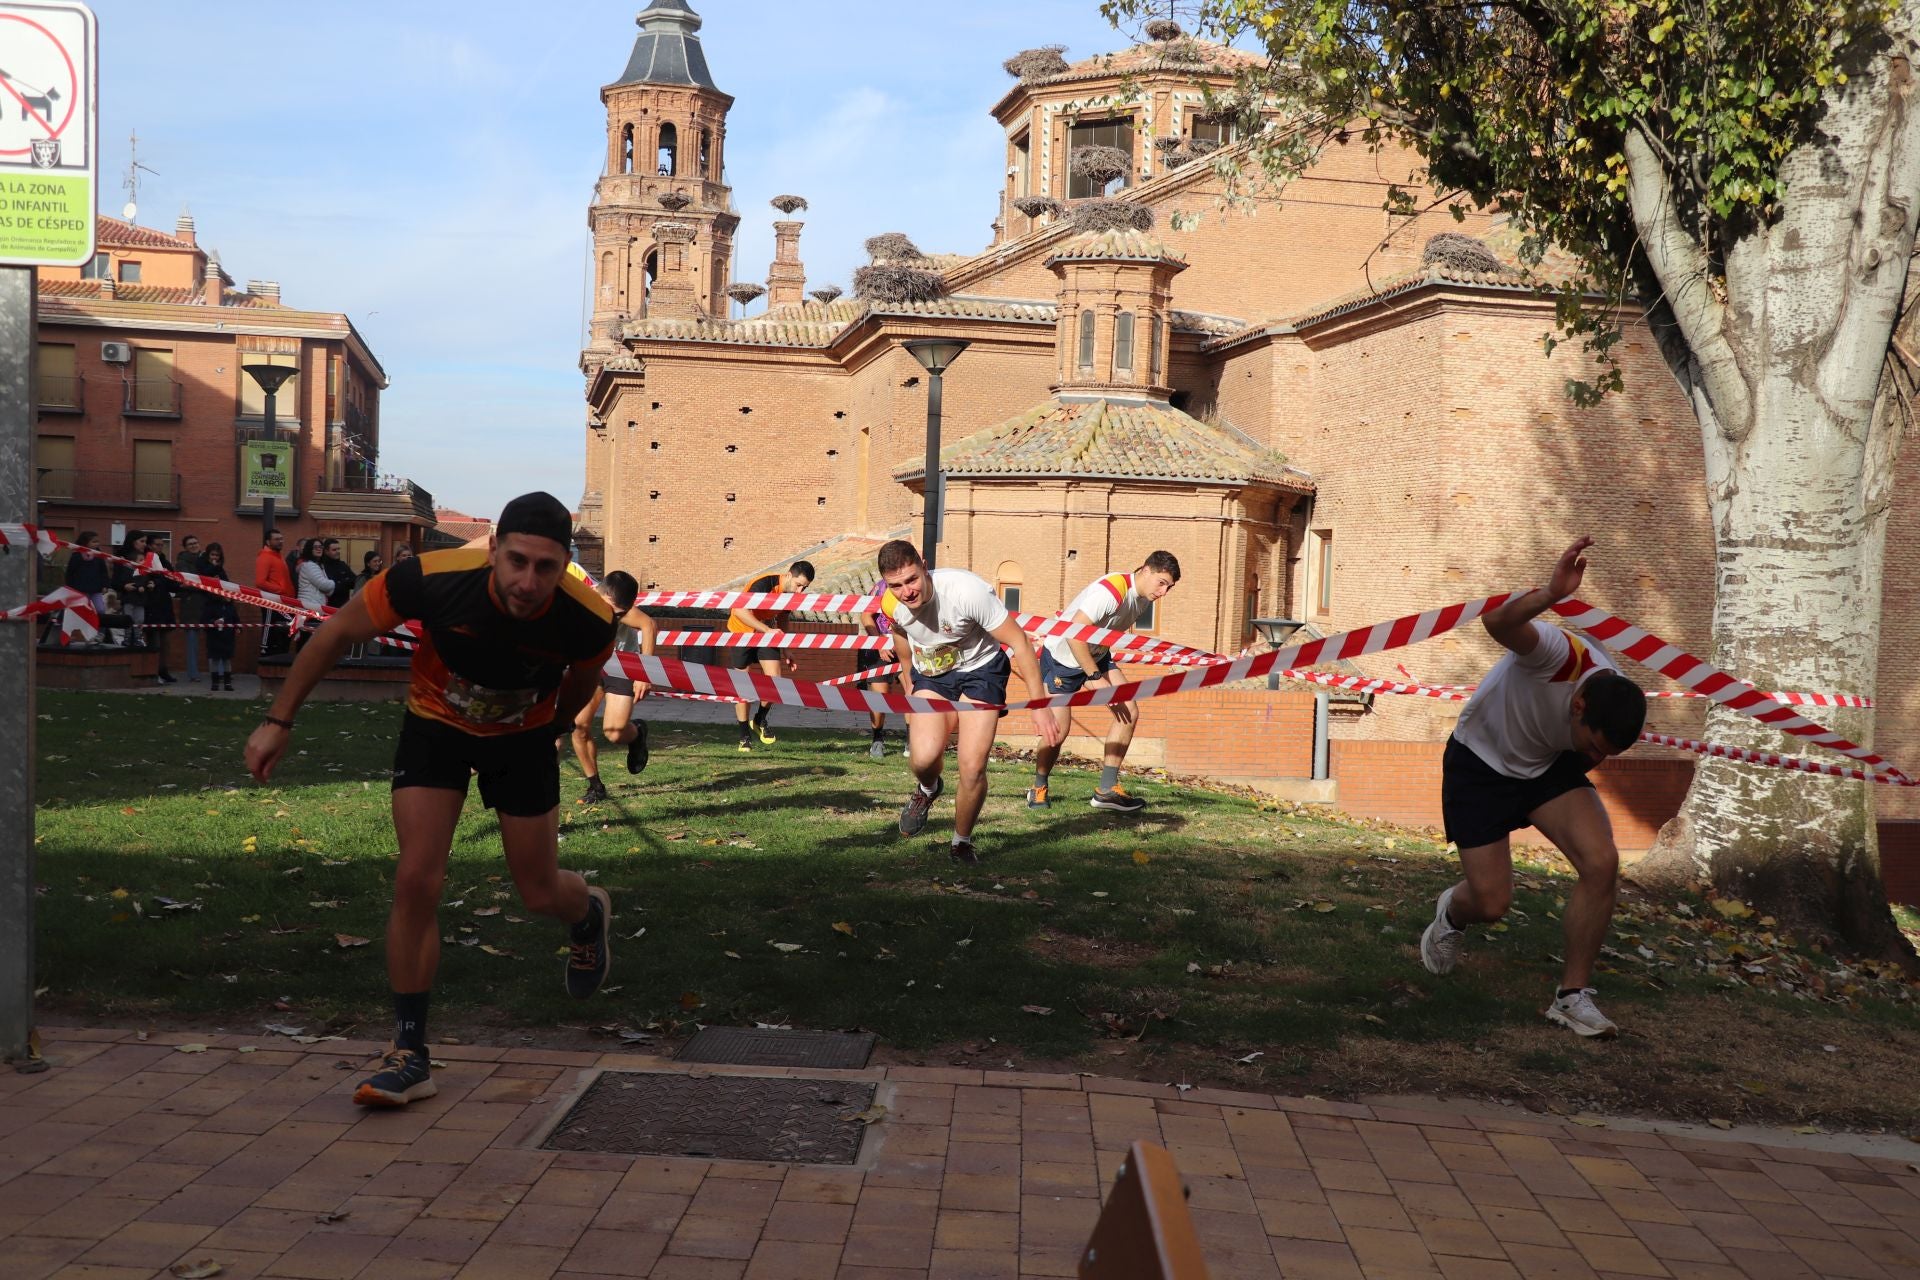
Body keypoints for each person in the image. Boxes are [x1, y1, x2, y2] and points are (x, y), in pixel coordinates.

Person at [244, 491, 619, 1108]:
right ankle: (409, 1051)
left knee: (538, 891)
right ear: (493, 550)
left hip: (522, 739)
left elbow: (581, 683)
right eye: (517, 561)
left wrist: (550, 732)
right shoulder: (430, 577)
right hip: (436, 726)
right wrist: (279, 721)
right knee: (416, 878)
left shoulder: (586, 618)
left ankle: (588, 915)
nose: (528, 581)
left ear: (565, 565)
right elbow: (337, 631)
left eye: (545, 567)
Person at [1419, 536, 1648, 1039]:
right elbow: (1497, 622)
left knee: (1602, 861)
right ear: (1579, 706)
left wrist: (1578, 754)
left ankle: (1572, 997)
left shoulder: (1607, 690)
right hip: (1480, 762)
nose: (1597, 761)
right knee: (1491, 903)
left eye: (1606, 756)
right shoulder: (1557, 654)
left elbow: (1586, 748)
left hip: (1546, 766)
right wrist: (1550, 593)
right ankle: (1453, 914)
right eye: (1594, 748)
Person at [877, 540, 1062, 864]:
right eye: (896, 585)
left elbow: (1019, 641)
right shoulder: (892, 605)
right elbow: (901, 638)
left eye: (912, 579)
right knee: (922, 758)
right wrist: (908, 684)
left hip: (982, 671)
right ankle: (928, 789)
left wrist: (1039, 705)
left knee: (972, 765)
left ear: (923, 564)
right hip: (933, 675)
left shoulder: (966, 591)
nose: (907, 591)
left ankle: (961, 842)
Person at [1027, 553, 1181, 814]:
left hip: (1096, 655)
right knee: (1057, 733)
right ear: (1145, 570)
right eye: (1161, 583)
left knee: (1128, 710)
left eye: (1169, 587)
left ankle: (1106, 790)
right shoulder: (1111, 591)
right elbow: (1075, 634)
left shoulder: (1143, 599)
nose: (1163, 592)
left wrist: (1098, 671)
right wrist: (1095, 678)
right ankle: (1038, 787)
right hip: (1063, 657)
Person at [572, 570, 657, 805]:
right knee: (578, 727)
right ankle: (595, 786)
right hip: (589, 666)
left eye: (619, 614)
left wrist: (644, 673)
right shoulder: (579, 600)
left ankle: (637, 733)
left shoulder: (622, 609)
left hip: (621, 665)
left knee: (614, 732)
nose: (613, 616)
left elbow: (648, 625)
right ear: (600, 594)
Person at [726, 560, 814, 751]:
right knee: (743, 685)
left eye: (804, 588)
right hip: (742, 631)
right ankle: (743, 736)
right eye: (798, 585)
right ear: (789, 575)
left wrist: (786, 649)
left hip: (767, 633)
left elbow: (782, 618)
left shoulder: (791, 595)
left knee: (776, 682)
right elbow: (739, 610)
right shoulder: (764, 583)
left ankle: (759, 720)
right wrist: (766, 630)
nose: (800, 592)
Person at [854, 595, 897, 758]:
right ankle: (877, 739)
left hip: (908, 643)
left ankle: (912, 741)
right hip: (881, 644)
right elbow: (866, 615)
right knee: (880, 696)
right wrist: (879, 642)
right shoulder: (881, 588)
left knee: (914, 690)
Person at [136, 534, 178, 685]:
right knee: (154, 641)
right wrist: (157, 582)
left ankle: (163, 669)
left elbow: (174, 583)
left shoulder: (165, 562)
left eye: (162, 544)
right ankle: (153, 670)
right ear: (150, 546)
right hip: (151, 605)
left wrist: (163, 581)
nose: (160, 547)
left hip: (164, 605)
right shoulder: (145, 561)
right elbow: (142, 579)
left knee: (165, 642)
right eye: (157, 545)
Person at [201, 543, 240, 692]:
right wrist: (212, 622)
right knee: (214, 659)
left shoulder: (230, 607)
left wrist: (238, 627)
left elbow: (235, 618)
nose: (215, 558)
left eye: (217, 556)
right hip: (214, 635)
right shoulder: (210, 606)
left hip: (227, 636)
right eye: (212, 555)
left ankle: (228, 682)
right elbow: (204, 620)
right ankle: (215, 682)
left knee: (227, 659)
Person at [62, 531, 109, 645]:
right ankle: (83, 635)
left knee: (100, 610)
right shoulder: (77, 556)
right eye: (93, 541)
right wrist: (70, 588)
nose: (96, 544)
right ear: (85, 542)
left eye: (97, 541)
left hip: (96, 589)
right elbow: (70, 573)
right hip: (81, 590)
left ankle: (100, 633)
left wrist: (105, 585)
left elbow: (103, 572)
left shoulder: (98, 556)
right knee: (83, 613)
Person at [256, 529, 295, 657]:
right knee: (270, 635)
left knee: (283, 632)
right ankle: (267, 655)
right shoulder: (265, 557)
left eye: (281, 539)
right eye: (277, 539)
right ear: (268, 541)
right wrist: (280, 590)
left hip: (284, 602)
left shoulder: (278, 557)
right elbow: (260, 582)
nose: (280, 541)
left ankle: (279, 656)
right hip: (272, 602)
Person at [175, 534, 206, 683]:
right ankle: (193, 673)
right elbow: (187, 582)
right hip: (190, 605)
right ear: (186, 547)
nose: (194, 545)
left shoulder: (205, 560)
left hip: (206, 604)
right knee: (192, 641)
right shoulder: (182, 563)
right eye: (190, 544)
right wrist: (203, 584)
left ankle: (220, 670)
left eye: (196, 542)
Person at [113, 532, 149, 649]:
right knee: (128, 618)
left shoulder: (146, 557)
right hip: (127, 597)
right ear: (134, 541)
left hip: (141, 598)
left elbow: (150, 576)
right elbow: (115, 580)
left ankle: (138, 638)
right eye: (142, 541)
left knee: (139, 618)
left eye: (145, 541)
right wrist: (124, 586)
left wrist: (150, 584)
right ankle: (127, 638)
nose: (144, 544)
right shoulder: (121, 558)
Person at [322, 538, 356, 609]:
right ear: (326, 551)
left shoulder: (342, 565)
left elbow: (354, 582)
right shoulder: (322, 566)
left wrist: (341, 582)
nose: (337, 551)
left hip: (344, 605)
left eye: (338, 549)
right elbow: (330, 588)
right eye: (334, 550)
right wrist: (345, 581)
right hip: (329, 606)